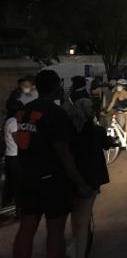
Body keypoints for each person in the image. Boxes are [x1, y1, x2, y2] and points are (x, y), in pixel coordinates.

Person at [13, 70, 93, 258]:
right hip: (51, 180)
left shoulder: (24, 111)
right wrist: (80, 183)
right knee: (55, 230)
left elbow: (20, 142)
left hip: (27, 177)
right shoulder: (56, 113)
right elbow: (63, 152)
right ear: (56, 86)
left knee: (26, 229)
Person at [65, 76, 110, 258]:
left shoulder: (68, 131)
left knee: (75, 217)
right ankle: (80, 252)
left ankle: (73, 246)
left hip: (70, 177)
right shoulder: (96, 131)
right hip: (90, 179)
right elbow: (107, 143)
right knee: (83, 220)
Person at [2, 92, 22, 209]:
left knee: (9, 184)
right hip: (14, 156)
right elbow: (18, 140)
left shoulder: (8, 121)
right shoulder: (13, 122)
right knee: (16, 183)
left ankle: (7, 205)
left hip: (9, 155)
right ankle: (17, 209)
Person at [106, 79, 127, 156]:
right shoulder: (116, 93)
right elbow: (112, 103)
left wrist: (126, 110)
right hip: (120, 111)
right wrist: (107, 111)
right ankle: (117, 140)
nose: (118, 87)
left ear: (124, 86)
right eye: (117, 85)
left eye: (119, 85)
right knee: (118, 125)